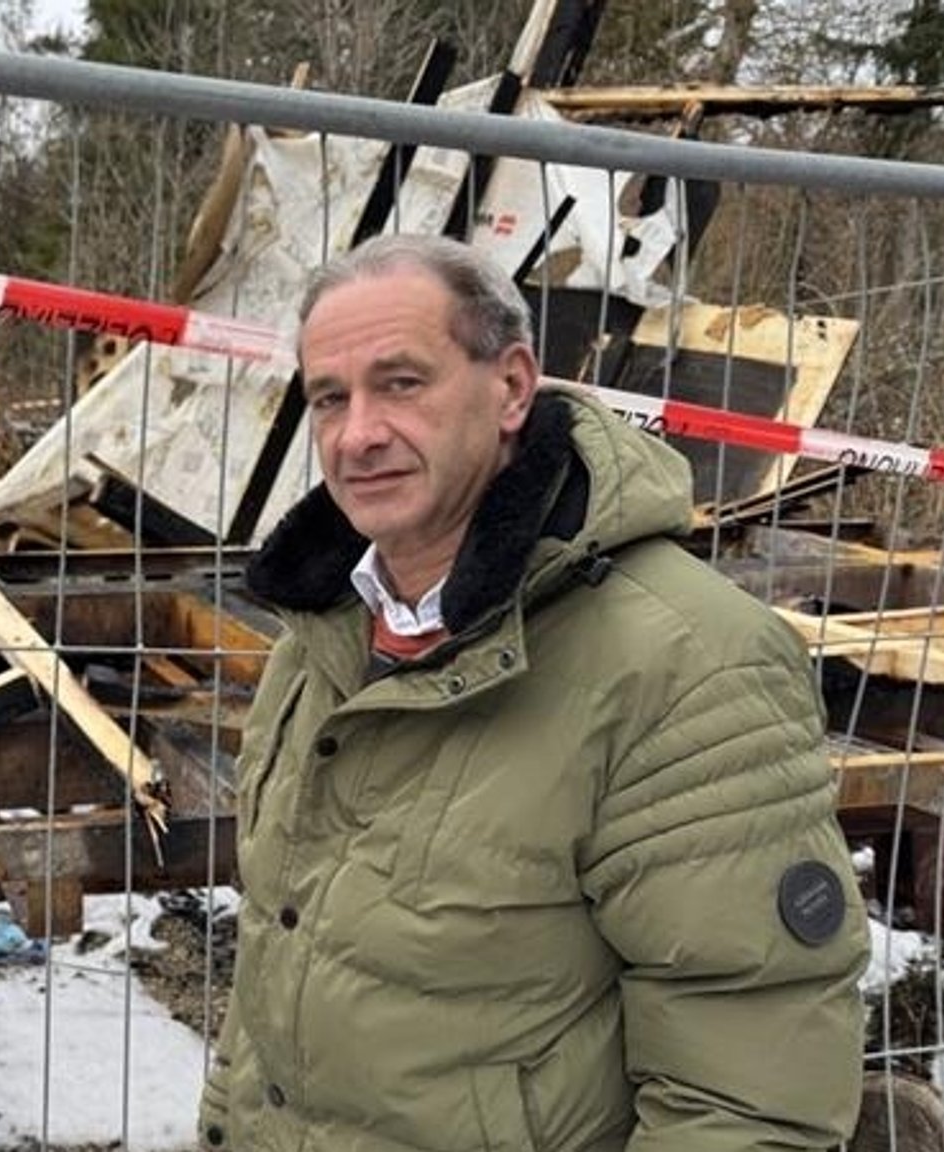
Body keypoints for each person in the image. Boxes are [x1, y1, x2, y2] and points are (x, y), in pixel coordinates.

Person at [199, 234, 869, 1151]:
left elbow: (749, 1095)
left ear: (512, 387)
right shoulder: (322, 639)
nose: (358, 434)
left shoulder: (685, 665)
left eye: (401, 383)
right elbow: (280, 961)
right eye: (330, 398)